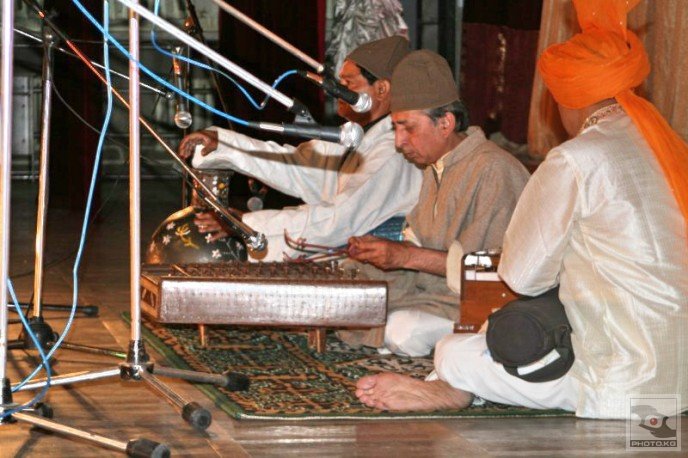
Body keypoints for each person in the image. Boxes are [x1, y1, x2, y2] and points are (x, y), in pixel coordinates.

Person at [354, 0, 688, 420]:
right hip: (680, 375)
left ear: (569, 99)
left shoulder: (574, 159)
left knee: (455, 352)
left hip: (619, 381)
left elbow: (523, 277)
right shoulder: (669, 149)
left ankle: (454, 389)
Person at [339, 50, 530, 357]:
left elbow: (494, 273)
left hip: (485, 305)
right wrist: (382, 252)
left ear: (445, 123)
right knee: (351, 291)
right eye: (395, 128)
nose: (399, 142)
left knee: (401, 330)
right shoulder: (434, 168)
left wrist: (406, 256)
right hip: (431, 292)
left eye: (408, 128)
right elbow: (418, 243)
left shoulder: (494, 170)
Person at [177, 36, 422, 261]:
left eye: (348, 83)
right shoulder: (357, 136)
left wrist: (244, 224)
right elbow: (296, 166)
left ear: (381, 89)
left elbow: (338, 220)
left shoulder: (392, 151)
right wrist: (224, 144)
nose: (338, 91)